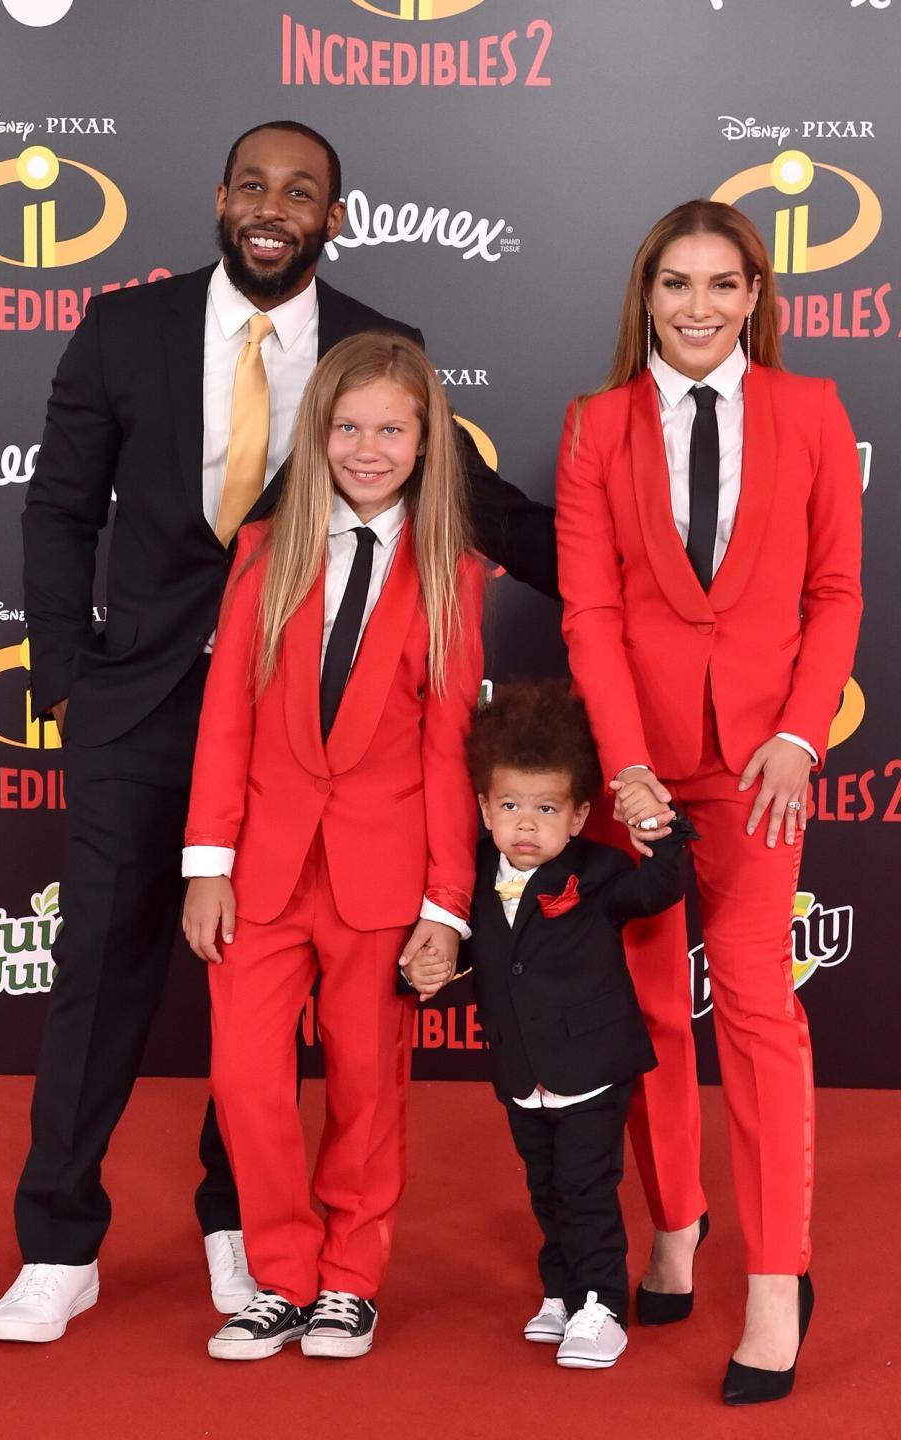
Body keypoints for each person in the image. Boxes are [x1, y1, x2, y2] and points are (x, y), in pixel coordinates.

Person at [0, 119, 557, 1345]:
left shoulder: (373, 351)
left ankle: (237, 1227)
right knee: (101, 967)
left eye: (300, 192)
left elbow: (479, 507)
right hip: (143, 699)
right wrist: (62, 673)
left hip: (311, 707)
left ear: (331, 218)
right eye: (253, 184)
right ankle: (58, 1243)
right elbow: (57, 505)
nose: (272, 205)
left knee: (254, 998)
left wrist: (637, 576)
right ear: (220, 199)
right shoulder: (125, 327)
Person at [555, 199, 862, 1403]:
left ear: (755, 295)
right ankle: (674, 1223)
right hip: (634, 773)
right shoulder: (595, 427)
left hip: (759, 774)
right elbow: (587, 609)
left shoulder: (812, 412)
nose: (697, 308)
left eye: (721, 285)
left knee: (754, 1011)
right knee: (647, 1016)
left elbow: (835, 591)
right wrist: (624, 769)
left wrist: (798, 731)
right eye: (675, 284)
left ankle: (777, 1277)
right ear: (646, 294)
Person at [181, 331, 482, 1361]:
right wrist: (206, 863)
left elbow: (449, 753)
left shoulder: (453, 573)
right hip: (260, 872)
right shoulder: (266, 554)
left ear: (424, 440)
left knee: (366, 1084)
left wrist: (447, 906)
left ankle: (350, 1280)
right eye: (349, 426)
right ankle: (280, 1276)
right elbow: (226, 717)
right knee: (247, 1081)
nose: (368, 447)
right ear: (318, 433)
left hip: (382, 879)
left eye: (390, 429)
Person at [449, 679, 693, 1370]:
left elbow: (660, 889)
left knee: (587, 1189)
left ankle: (604, 1305)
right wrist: (422, 969)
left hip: (591, 1071)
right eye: (510, 806)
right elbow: (463, 948)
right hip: (523, 1073)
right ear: (484, 808)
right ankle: (561, 1292)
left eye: (546, 808)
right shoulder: (470, 875)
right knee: (546, 1188)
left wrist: (662, 836)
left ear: (581, 815)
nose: (526, 824)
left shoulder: (600, 873)